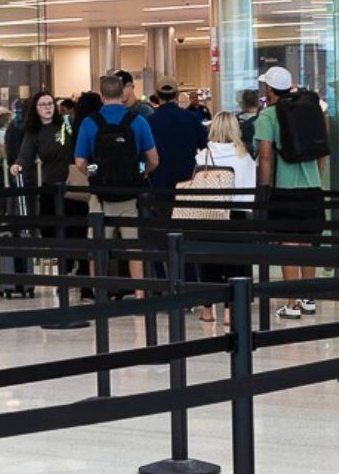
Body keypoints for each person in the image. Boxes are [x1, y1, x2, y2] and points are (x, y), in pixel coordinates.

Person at [254, 66, 326, 321]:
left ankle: (292, 302)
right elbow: (321, 152)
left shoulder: (268, 116)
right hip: (313, 188)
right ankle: (308, 298)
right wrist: (317, 179)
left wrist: (263, 189)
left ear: (270, 90)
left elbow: (265, 157)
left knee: (288, 244)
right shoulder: (311, 111)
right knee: (308, 243)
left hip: (284, 189)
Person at [75, 74, 159, 291]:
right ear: (122, 94)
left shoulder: (89, 122)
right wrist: (140, 172)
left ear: (102, 97)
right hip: (130, 196)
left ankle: (98, 293)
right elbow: (153, 160)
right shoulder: (138, 121)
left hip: (99, 197)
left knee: (98, 248)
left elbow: (80, 162)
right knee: (134, 249)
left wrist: (95, 172)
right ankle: (140, 295)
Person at [194, 111, 257, 323]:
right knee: (235, 261)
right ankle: (231, 311)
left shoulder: (203, 156)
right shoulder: (244, 156)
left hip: (210, 215)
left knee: (209, 261)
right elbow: (250, 187)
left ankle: (207, 309)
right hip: (237, 215)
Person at [12, 92, 84, 276]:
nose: (47, 107)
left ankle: (75, 268)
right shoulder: (34, 132)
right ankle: (64, 266)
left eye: (50, 103)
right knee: (49, 228)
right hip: (50, 185)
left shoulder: (65, 124)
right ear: (35, 109)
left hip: (72, 185)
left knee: (75, 229)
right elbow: (25, 155)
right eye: (43, 104)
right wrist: (18, 165)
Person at [145, 79, 208, 217]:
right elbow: (204, 145)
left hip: (158, 182)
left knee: (161, 225)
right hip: (186, 180)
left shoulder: (149, 122)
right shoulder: (191, 119)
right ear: (177, 94)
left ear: (157, 95)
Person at [236, 89, 261, 157]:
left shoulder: (235, 120)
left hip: (239, 157)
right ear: (258, 103)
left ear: (243, 103)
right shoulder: (263, 119)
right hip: (257, 159)